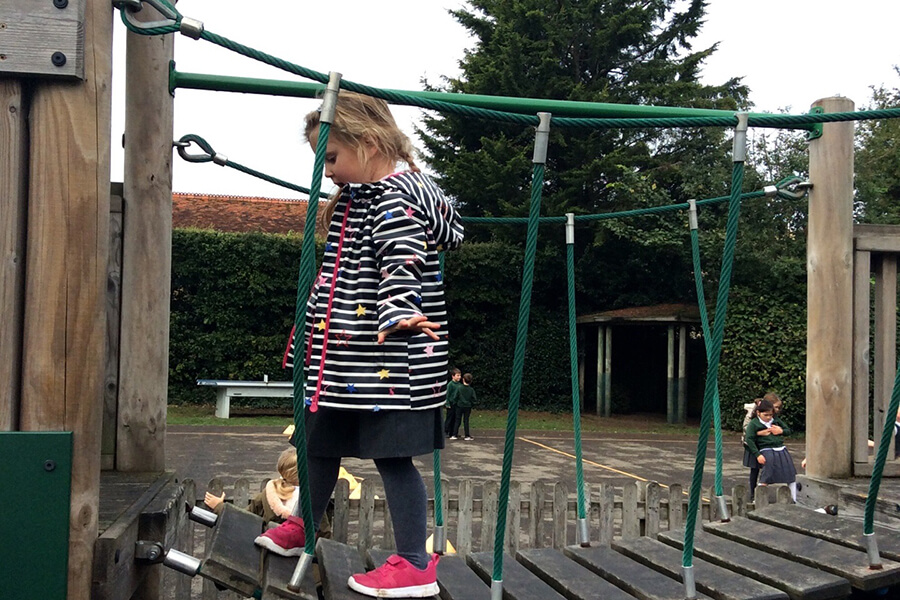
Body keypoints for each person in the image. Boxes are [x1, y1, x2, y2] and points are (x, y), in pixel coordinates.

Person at [254, 91, 464, 598]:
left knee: (394, 457)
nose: (326, 172)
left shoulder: (396, 196)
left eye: (331, 158)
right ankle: (305, 524)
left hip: (394, 361)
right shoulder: (362, 194)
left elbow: (401, 257)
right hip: (343, 357)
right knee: (318, 444)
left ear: (369, 143)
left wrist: (400, 309)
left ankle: (415, 563)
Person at [204, 447, 299, 523]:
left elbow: (244, 517)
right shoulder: (309, 497)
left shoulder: (270, 493)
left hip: (269, 544)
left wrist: (219, 506)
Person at [745, 397, 798, 502]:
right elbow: (749, 439)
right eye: (766, 415)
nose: (769, 418)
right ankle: (758, 498)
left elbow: (788, 430)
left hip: (781, 448)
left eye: (771, 415)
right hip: (767, 449)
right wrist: (757, 455)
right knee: (767, 473)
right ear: (758, 413)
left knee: (790, 473)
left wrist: (781, 431)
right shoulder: (754, 423)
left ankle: (795, 499)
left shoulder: (775, 420)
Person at [740, 397, 762, 501]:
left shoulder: (770, 415)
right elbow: (746, 428)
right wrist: (759, 433)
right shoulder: (750, 415)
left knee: (766, 469)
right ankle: (753, 493)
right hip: (752, 445)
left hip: (763, 445)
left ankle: (761, 491)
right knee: (754, 469)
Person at [450, 372, 477, 440]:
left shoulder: (459, 388)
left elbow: (455, 397)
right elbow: (474, 399)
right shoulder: (471, 390)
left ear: (463, 379)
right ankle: (467, 435)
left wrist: (455, 403)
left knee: (457, 420)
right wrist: (471, 404)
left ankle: (454, 434)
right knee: (466, 420)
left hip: (459, 406)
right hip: (467, 407)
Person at [444, 368, 462, 437]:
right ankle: (445, 431)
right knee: (449, 418)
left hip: (457, 404)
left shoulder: (459, 385)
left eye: (460, 375)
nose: (459, 377)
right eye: (457, 375)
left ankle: (453, 432)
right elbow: (447, 394)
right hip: (451, 404)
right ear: (453, 376)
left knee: (455, 418)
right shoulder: (450, 385)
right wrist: (447, 403)